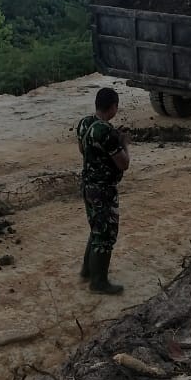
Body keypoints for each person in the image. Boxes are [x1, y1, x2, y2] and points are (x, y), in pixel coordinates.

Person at [75, 87, 130, 295]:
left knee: (96, 227)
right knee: (105, 233)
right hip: (103, 189)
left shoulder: (85, 123)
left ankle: (88, 270)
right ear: (113, 107)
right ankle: (99, 282)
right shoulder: (106, 132)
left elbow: (82, 149)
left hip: (88, 185)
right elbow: (123, 164)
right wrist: (124, 144)